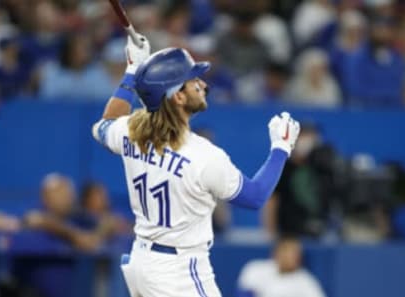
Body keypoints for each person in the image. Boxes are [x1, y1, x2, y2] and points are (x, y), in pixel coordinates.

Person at [91, 33, 300, 296]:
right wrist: (281, 149)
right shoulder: (202, 155)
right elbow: (255, 197)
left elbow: (105, 123)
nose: (202, 84)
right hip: (178, 269)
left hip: (142, 261)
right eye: (192, 81)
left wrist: (132, 71)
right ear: (177, 97)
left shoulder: (133, 130)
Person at [24, 173, 101, 251]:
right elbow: (35, 220)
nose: (61, 198)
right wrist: (72, 235)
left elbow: (91, 242)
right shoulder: (36, 213)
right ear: (44, 198)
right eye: (55, 194)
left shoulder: (80, 216)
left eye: (64, 193)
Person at [237, 237, 326, 297]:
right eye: (286, 252)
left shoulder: (305, 280)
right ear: (276, 253)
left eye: (295, 254)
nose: (291, 257)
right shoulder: (255, 269)